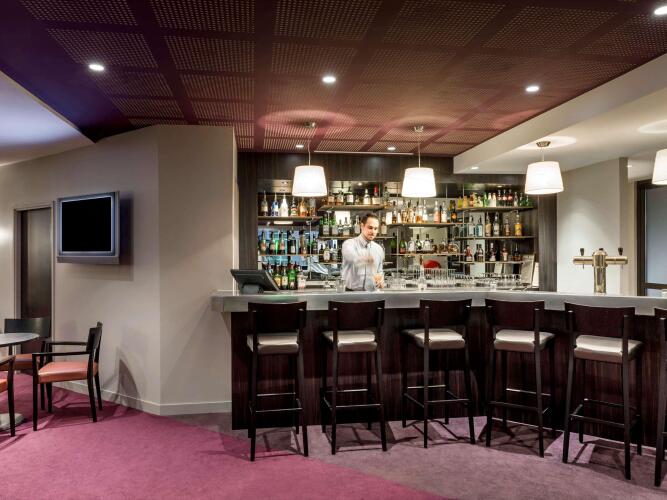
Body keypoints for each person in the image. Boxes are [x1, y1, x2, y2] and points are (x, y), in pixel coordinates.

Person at [341, 213, 385, 291]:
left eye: (375, 229)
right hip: (351, 293)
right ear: (362, 226)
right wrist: (366, 259)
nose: (373, 232)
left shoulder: (378, 249)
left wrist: (380, 281)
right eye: (370, 228)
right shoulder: (349, 244)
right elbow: (351, 257)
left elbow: (379, 271)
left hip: (372, 293)